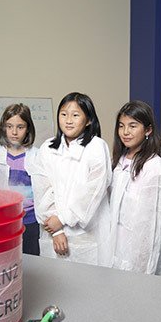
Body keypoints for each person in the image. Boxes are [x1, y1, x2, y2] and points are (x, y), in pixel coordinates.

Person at [32, 92, 111, 266]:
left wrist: (63, 218)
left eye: (75, 115)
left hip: (85, 233)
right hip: (52, 230)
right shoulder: (47, 148)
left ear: (88, 120)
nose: (68, 120)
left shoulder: (97, 147)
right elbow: (42, 188)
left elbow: (93, 191)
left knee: (87, 285)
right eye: (63, 114)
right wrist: (56, 230)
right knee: (54, 283)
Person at [109, 100, 161, 274]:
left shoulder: (156, 168)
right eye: (121, 126)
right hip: (114, 247)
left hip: (136, 256)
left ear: (148, 130)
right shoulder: (119, 161)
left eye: (133, 126)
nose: (125, 132)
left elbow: (151, 229)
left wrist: (144, 270)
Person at [0, 103, 40, 255]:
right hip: (3, 221)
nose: (14, 132)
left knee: (31, 261)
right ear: (3, 128)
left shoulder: (37, 155)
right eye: (9, 126)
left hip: (30, 221)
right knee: (5, 258)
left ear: (28, 129)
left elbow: (45, 188)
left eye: (20, 127)